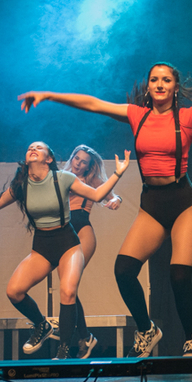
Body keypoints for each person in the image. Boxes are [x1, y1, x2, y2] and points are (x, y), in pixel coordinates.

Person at [18, 61, 192, 358]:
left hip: (184, 203)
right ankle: (147, 330)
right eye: (154, 79)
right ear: (148, 86)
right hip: (152, 204)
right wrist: (49, 95)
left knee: (179, 277)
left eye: (166, 80)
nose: (160, 84)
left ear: (175, 87)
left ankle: (191, 339)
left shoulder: (186, 117)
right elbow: (93, 104)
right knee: (123, 271)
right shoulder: (137, 115)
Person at [0, 142, 129, 359]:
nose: (33, 149)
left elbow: (98, 195)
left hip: (68, 241)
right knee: (14, 291)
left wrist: (118, 174)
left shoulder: (63, 178)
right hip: (42, 245)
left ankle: (64, 350)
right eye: (30, 147)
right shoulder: (22, 184)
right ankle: (42, 325)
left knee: (68, 291)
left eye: (39, 148)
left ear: (49, 159)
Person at [58, 144, 123, 358]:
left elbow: (112, 196)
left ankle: (75, 341)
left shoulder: (91, 180)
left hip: (82, 232)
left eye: (83, 161)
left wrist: (117, 200)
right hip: (63, 233)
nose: (78, 163)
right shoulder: (60, 177)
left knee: (70, 285)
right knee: (67, 289)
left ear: (88, 166)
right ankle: (85, 337)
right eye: (76, 158)